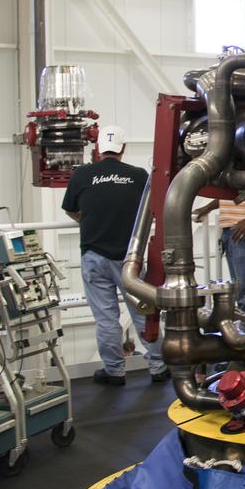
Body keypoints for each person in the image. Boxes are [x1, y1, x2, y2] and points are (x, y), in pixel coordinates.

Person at [63, 125, 167, 386]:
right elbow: (151, 209)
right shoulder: (138, 175)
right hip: (129, 259)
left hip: (95, 255)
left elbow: (71, 210)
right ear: (123, 148)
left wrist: (89, 221)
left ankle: (114, 371)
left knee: (105, 317)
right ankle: (158, 366)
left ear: (97, 148)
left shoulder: (82, 174)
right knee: (143, 312)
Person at [193, 198, 245, 309]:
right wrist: (208, 208)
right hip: (231, 231)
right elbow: (229, 195)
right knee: (240, 287)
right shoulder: (234, 183)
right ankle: (244, 321)